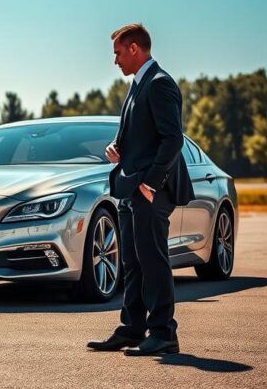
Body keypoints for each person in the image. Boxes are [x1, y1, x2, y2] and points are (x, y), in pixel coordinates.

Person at [87, 23, 194, 356]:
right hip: (129, 190)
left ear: (135, 48)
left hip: (150, 191)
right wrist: (116, 148)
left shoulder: (160, 84)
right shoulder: (138, 85)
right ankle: (133, 327)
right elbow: (142, 137)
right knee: (132, 262)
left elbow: (172, 139)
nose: (115, 60)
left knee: (153, 260)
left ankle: (163, 332)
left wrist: (150, 183)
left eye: (118, 53)